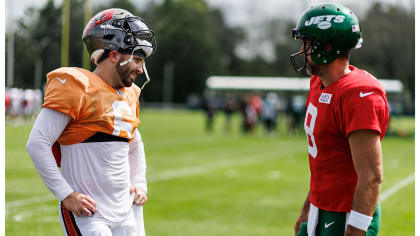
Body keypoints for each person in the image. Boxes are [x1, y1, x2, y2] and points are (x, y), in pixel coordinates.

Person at [26, 8, 156, 236]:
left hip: (127, 210)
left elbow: (134, 144)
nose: (140, 68)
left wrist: (140, 183)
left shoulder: (130, 94)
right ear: (114, 53)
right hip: (90, 213)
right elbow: (37, 143)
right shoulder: (77, 86)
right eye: (136, 58)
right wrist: (66, 194)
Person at [290, 3, 389, 236]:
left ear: (328, 47)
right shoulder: (318, 83)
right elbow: (326, 159)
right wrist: (310, 202)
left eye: (307, 44)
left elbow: (372, 176)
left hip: (346, 213)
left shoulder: (359, 94)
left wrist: (355, 229)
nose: (303, 52)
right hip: (321, 206)